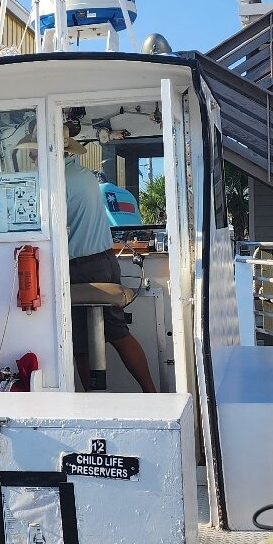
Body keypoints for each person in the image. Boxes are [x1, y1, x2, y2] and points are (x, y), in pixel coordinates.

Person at [62, 127, 157, 393]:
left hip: (80, 268)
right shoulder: (84, 177)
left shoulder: (59, 182)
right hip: (105, 261)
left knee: (79, 345)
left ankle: (91, 402)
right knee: (118, 333)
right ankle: (151, 393)